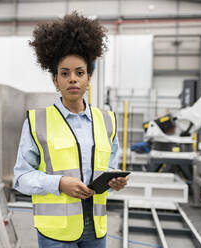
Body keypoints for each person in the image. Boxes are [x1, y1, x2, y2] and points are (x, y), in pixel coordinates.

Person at [14, 12, 128, 248]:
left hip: (96, 227)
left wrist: (113, 182)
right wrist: (59, 183)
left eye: (79, 72)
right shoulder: (37, 121)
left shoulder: (107, 121)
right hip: (56, 233)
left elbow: (108, 169)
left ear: (89, 78)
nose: (73, 79)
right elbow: (21, 178)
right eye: (64, 73)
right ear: (55, 80)